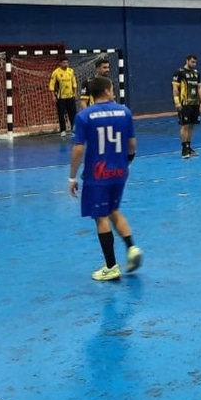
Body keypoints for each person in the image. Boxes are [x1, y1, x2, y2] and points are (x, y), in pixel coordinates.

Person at [69, 76, 142, 281]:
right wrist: (125, 163)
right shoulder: (124, 111)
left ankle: (111, 266)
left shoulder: (84, 116)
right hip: (119, 171)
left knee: (101, 216)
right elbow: (132, 144)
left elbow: (78, 148)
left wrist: (71, 177)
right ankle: (132, 247)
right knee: (113, 210)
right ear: (108, 91)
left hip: (97, 173)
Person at [172, 54, 201, 158]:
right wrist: (177, 101)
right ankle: (184, 149)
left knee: (191, 125)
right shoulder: (179, 72)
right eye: (192, 62)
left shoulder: (196, 73)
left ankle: (189, 147)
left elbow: (199, 88)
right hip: (184, 103)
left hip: (194, 104)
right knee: (185, 125)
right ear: (187, 61)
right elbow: (175, 88)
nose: (194, 64)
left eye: (195, 62)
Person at [48, 55, 78, 137]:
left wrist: (75, 92)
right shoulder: (56, 72)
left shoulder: (71, 71)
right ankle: (63, 130)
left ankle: (74, 129)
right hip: (61, 97)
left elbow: (74, 82)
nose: (66, 64)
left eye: (67, 62)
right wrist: (53, 96)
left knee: (72, 114)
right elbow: (52, 85)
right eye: (64, 63)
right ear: (60, 63)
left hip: (70, 96)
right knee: (61, 114)